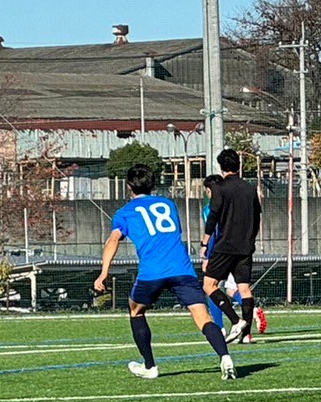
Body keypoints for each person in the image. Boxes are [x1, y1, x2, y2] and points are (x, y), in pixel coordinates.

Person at [94, 163, 236, 380]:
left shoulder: (125, 212)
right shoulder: (168, 204)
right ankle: (225, 357)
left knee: (136, 310)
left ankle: (150, 366)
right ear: (152, 184)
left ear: (129, 186)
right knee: (203, 316)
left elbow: (113, 240)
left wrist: (104, 272)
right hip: (182, 269)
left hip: (152, 272)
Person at [201, 148, 262, 344]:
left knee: (209, 285)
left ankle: (236, 321)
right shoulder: (250, 189)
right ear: (239, 165)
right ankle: (246, 335)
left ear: (221, 167)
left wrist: (205, 242)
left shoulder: (220, 188)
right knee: (244, 288)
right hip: (245, 246)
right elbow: (257, 217)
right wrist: (251, 238)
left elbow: (213, 216)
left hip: (226, 245)